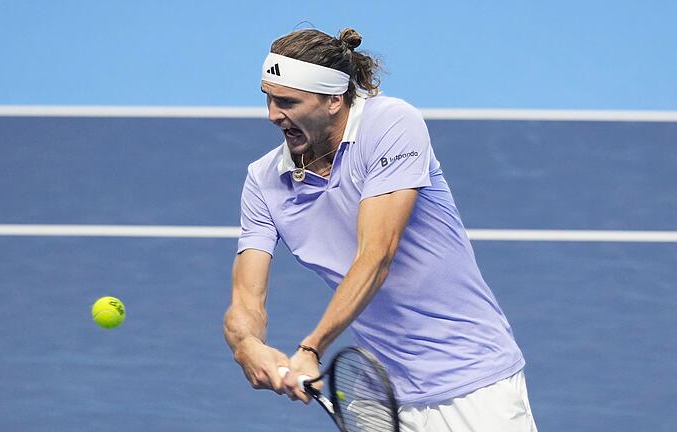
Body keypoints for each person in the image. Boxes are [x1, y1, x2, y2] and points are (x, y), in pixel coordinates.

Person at [223, 27, 538, 431]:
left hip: (474, 382)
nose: (271, 114)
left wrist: (311, 348)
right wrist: (248, 346)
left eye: (287, 101)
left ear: (335, 99)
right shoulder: (263, 181)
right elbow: (246, 298)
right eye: (267, 97)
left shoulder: (390, 125)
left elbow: (376, 255)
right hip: (383, 396)